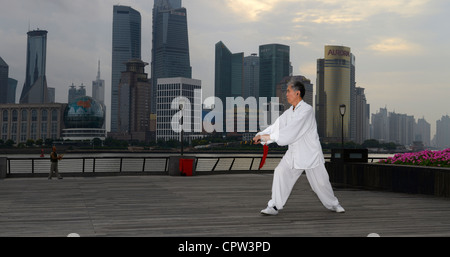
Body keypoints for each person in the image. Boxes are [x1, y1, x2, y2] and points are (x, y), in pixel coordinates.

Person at [253, 80, 345, 215]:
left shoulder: (307, 110)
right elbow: (276, 126)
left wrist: (269, 138)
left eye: (289, 91)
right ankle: (274, 206)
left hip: (310, 154)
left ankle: (334, 204)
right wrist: (261, 135)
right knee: (280, 172)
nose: (286, 94)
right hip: (294, 153)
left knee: (321, 183)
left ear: (297, 93)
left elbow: (292, 130)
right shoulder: (288, 112)